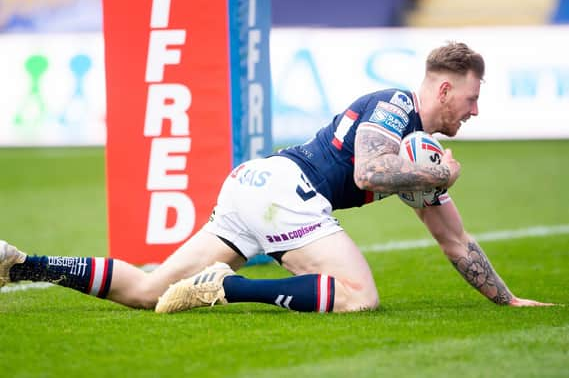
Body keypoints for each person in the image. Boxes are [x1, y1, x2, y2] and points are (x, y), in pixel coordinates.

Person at [0, 42, 553, 313]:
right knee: (359, 296)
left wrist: (507, 301)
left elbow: (453, 239)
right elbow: (367, 168)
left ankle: (22, 264)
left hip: (256, 187)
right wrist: (437, 176)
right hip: (287, 189)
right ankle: (227, 288)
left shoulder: (418, 152)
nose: (476, 111)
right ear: (444, 90)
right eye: (473, 98)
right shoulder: (395, 104)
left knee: (150, 290)